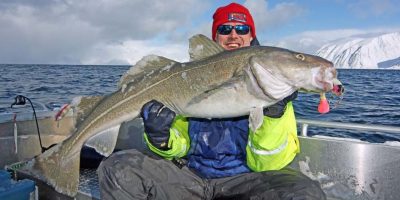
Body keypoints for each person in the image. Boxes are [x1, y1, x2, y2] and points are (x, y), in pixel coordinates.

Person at [98, 3, 325, 200]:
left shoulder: (276, 91)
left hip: (247, 180)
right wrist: (161, 138)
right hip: (191, 177)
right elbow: (181, 146)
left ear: (251, 37)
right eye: (225, 29)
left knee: (304, 193)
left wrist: (273, 115)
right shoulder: (186, 81)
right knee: (117, 168)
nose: (234, 35)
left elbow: (269, 164)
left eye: (242, 29)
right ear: (215, 37)